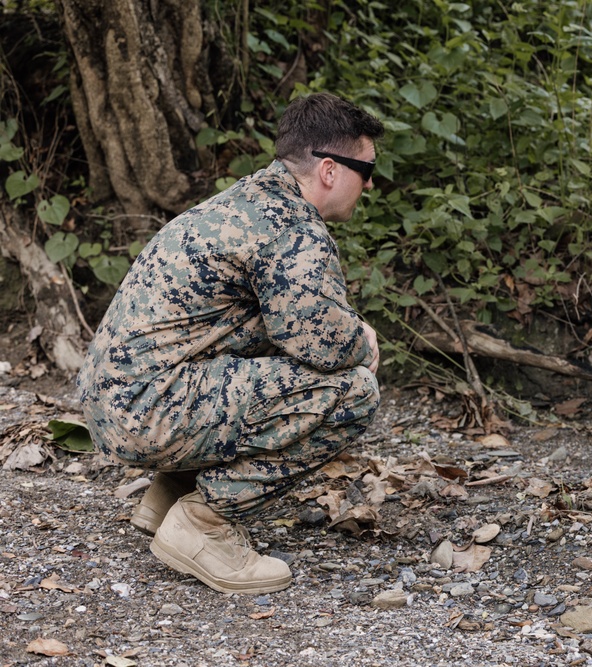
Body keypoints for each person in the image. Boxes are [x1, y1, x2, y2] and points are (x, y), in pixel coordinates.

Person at [77, 92, 384, 594]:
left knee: (267, 350)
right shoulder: (291, 227)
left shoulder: (242, 201)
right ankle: (203, 525)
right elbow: (325, 345)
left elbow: (276, 328)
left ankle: (170, 494)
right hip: (148, 412)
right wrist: (361, 338)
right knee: (353, 391)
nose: (370, 184)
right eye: (366, 169)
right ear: (329, 169)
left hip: (112, 402)